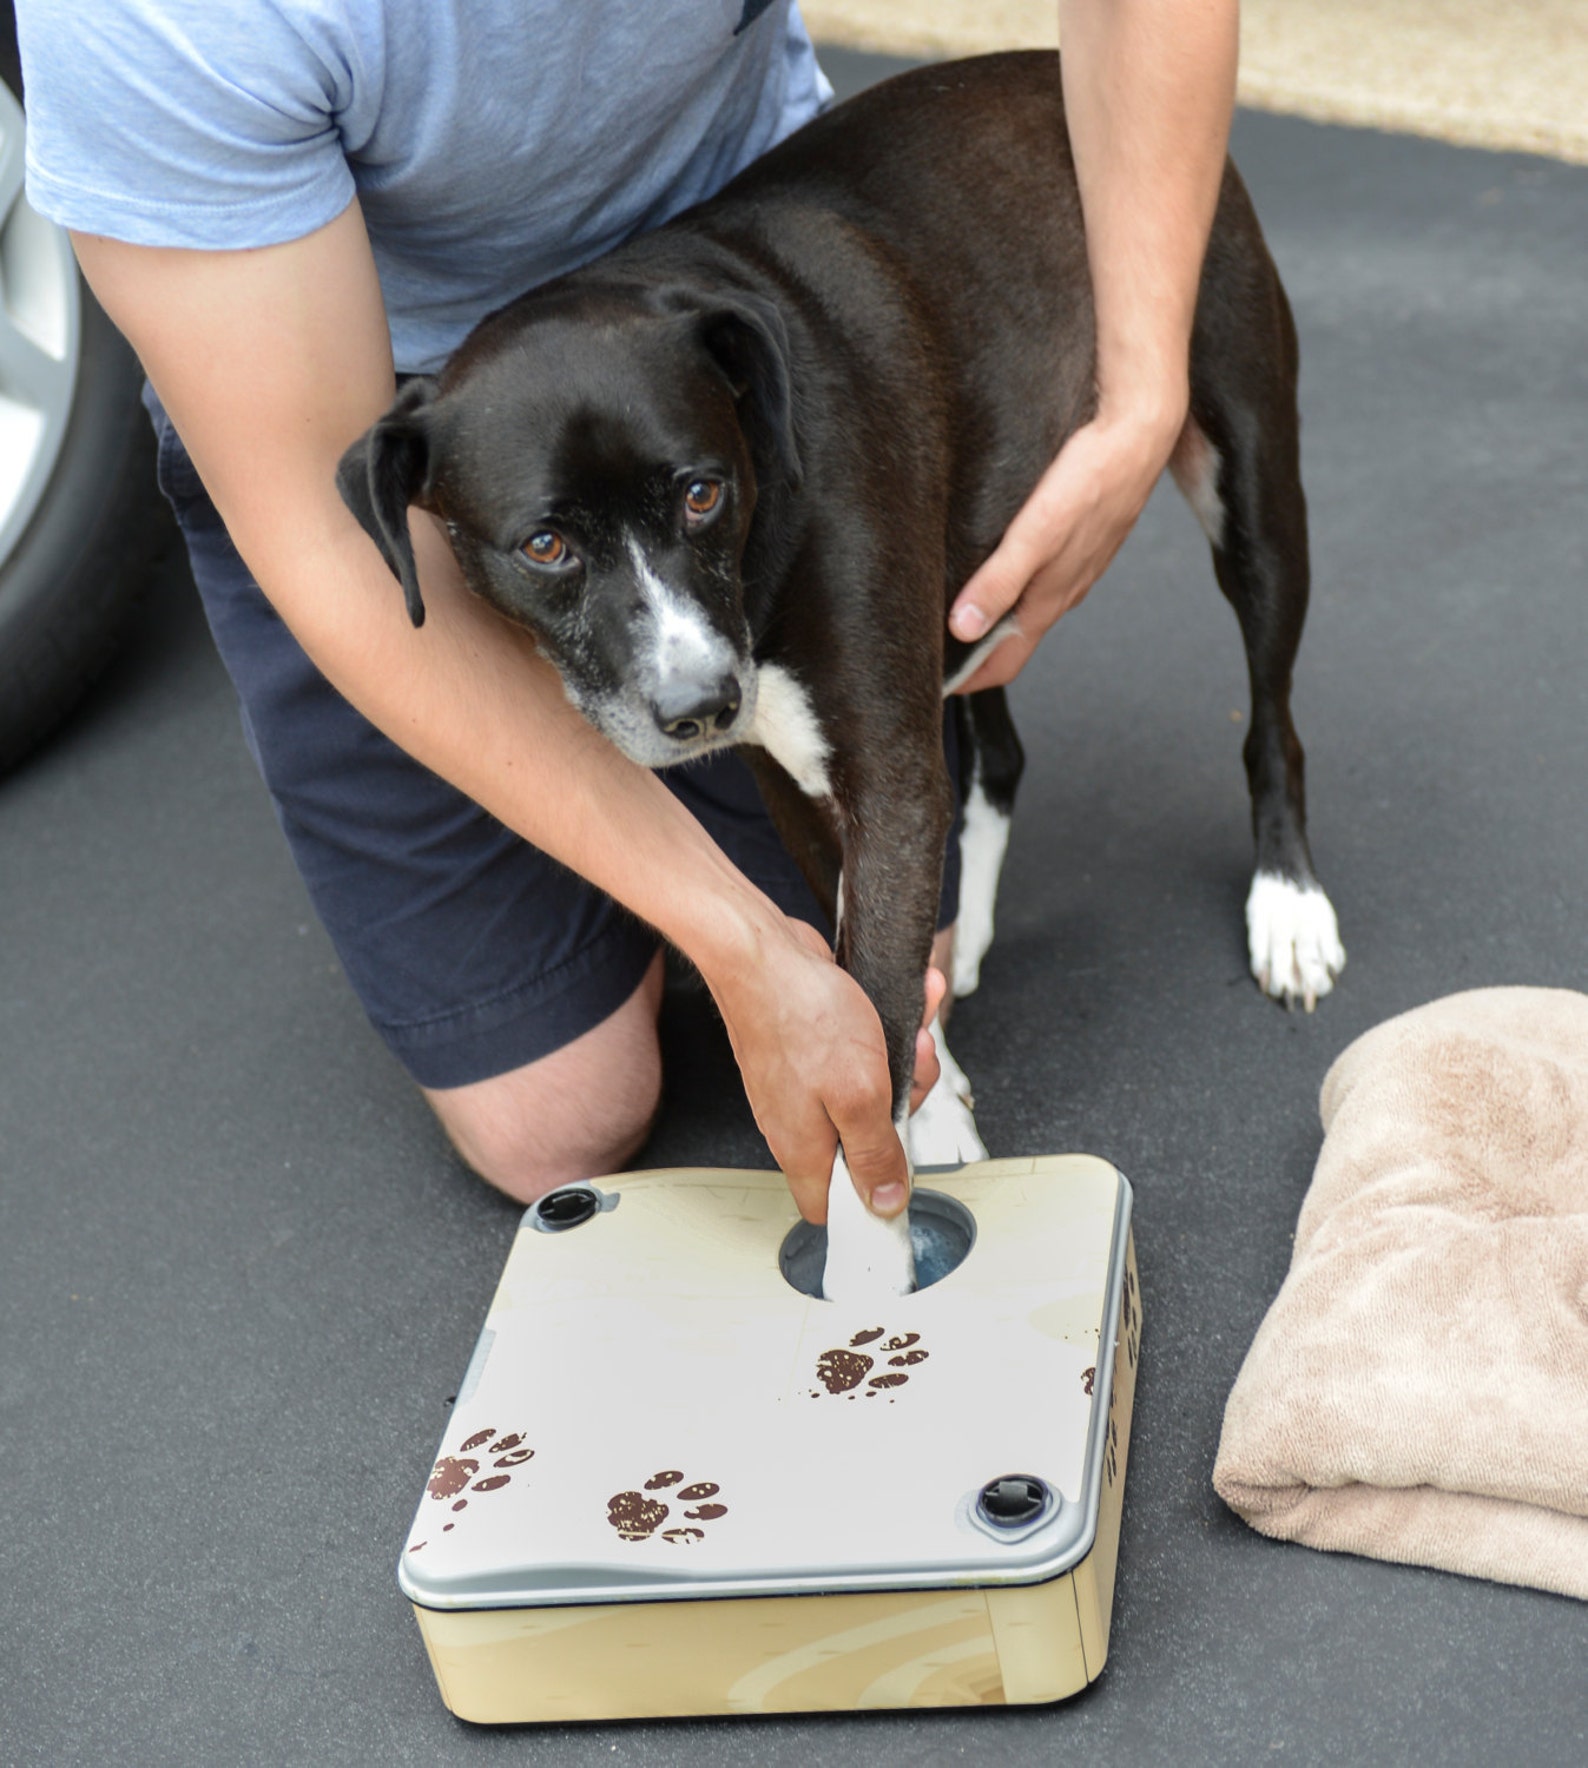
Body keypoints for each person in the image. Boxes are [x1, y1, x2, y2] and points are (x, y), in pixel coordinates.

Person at [18, 1, 1238, 1225]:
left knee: (893, 960)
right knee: (560, 1123)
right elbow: (321, 531)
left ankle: (624, 648)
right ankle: (592, 798)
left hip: (714, 320)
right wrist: (737, 940)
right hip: (365, 398)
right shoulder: (159, 20)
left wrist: (1140, 399)